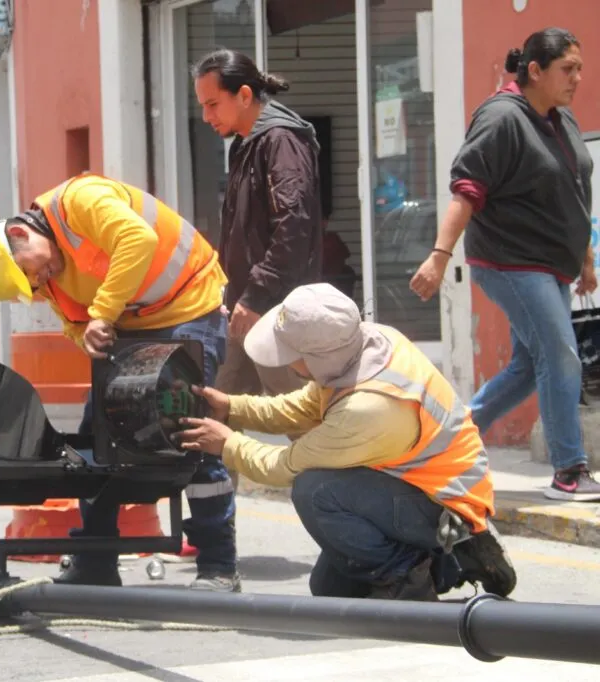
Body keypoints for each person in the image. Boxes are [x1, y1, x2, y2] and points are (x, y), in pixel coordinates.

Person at [0, 172, 240, 592]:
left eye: (29, 274)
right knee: (98, 439)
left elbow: (137, 240)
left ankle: (218, 565)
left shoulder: (80, 201)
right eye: (28, 286)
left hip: (187, 309)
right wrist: (87, 334)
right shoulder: (44, 272)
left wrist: (104, 314)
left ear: (19, 232)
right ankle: (96, 560)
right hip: (129, 325)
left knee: (190, 436)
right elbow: (75, 322)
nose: (37, 285)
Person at [177, 283, 517, 600]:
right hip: (416, 486)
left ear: (316, 357)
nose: (284, 361)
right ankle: (452, 561)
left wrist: (225, 444)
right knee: (329, 590)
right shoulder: (369, 344)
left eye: (289, 353)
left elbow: (285, 467)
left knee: (314, 490)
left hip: (444, 500)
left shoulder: (368, 409)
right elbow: (302, 407)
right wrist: (233, 407)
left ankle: (409, 577)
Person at [409, 28, 600, 501]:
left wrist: (586, 258)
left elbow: (574, 190)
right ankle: (569, 471)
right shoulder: (500, 118)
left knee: (530, 365)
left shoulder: (560, 117)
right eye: (567, 69)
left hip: (551, 263)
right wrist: (438, 257)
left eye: (579, 67)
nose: (577, 77)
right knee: (560, 355)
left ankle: (446, 443)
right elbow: (467, 190)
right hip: (510, 261)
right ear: (535, 71)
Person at [192, 49, 323, 401]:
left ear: (245, 95)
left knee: (303, 418)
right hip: (247, 306)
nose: (206, 116)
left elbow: (293, 226)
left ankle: (340, 459)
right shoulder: (248, 143)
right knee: (219, 410)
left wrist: (255, 296)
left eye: (213, 104)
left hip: (276, 310)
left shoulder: (281, 141)